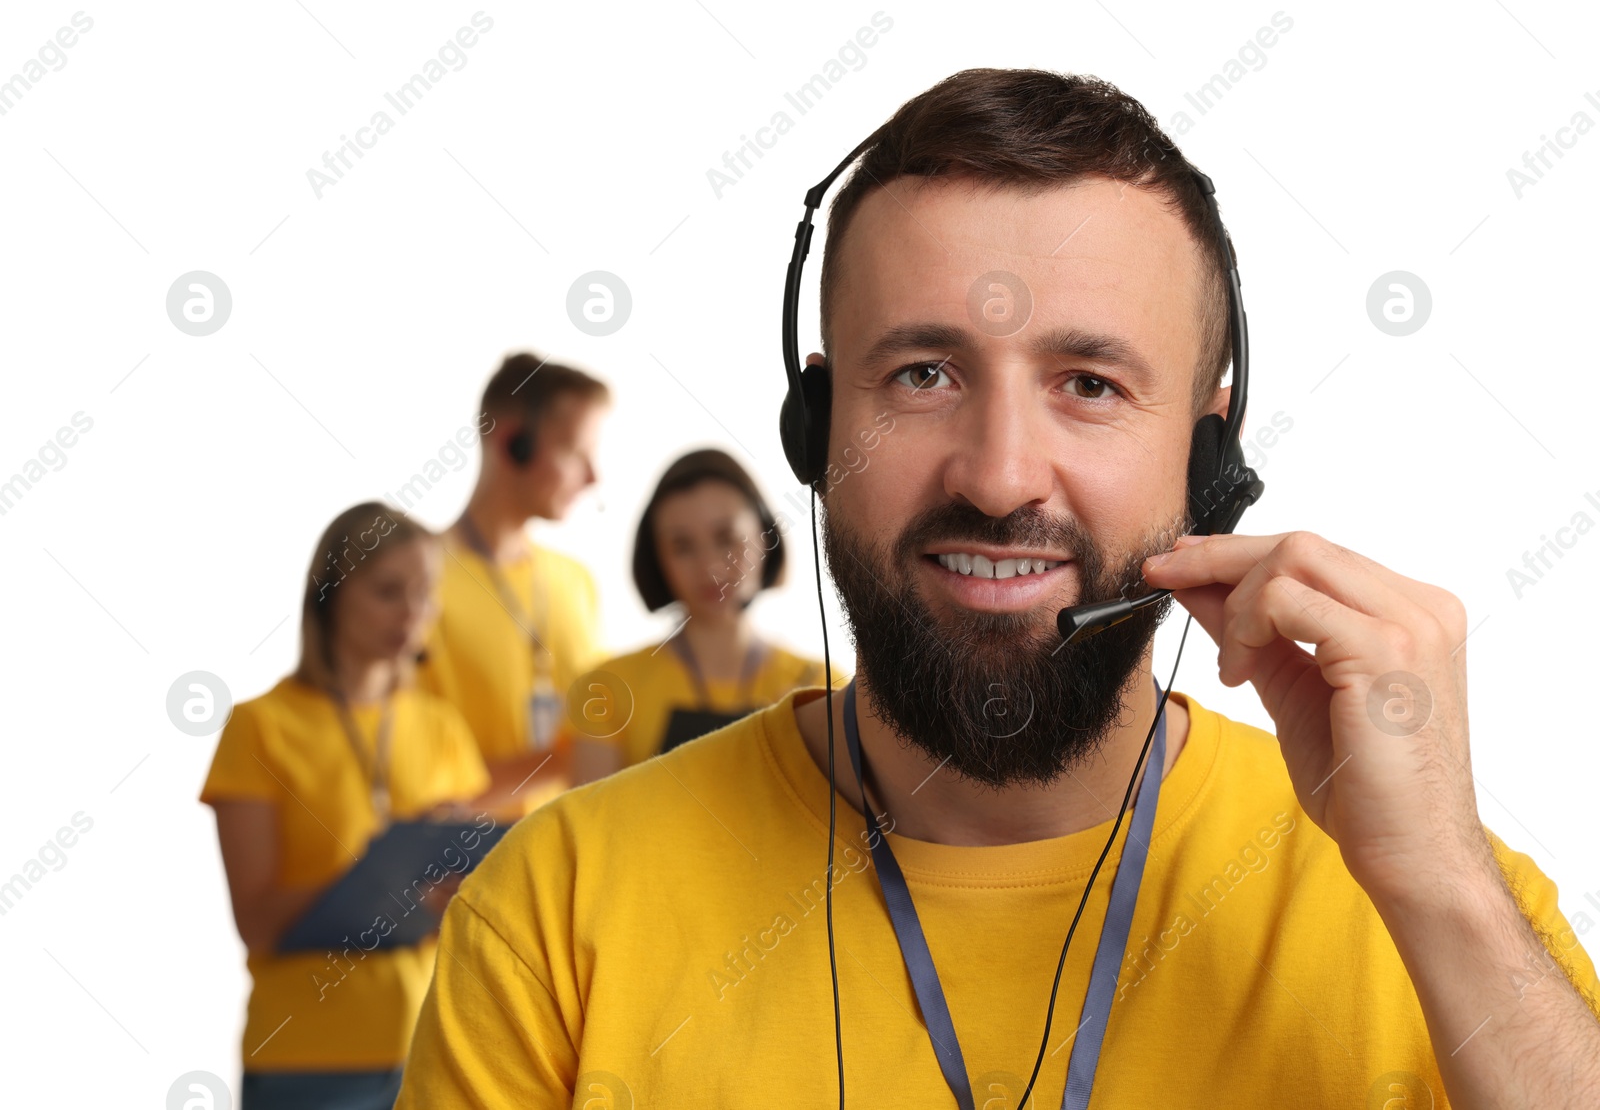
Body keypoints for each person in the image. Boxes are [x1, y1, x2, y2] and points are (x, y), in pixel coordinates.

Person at [395, 70, 1600, 1107]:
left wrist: (1442, 887)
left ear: (1207, 453)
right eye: (922, 372)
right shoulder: (554, 916)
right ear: (816, 426)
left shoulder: (1437, 904)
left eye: (1087, 382)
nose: (999, 474)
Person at [201, 502, 489, 1109]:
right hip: (309, 1060)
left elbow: (464, 895)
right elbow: (256, 920)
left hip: (431, 1046)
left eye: (426, 594)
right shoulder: (260, 727)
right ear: (330, 595)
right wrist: (370, 882)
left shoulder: (442, 728)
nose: (413, 614)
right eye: (389, 592)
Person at [568, 448, 848, 784]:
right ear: (657, 559)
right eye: (682, 546)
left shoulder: (821, 688)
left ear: (765, 537)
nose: (710, 567)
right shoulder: (607, 690)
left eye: (726, 538)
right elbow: (595, 832)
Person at [416, 352, 610, 817]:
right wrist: (566, 758)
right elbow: (407, 776)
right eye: (574, 452)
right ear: (512, 442)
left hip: (569, 872)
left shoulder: (575, 581)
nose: (592, 477)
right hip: (457, 874)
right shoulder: (417, 582)